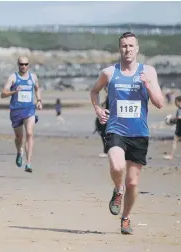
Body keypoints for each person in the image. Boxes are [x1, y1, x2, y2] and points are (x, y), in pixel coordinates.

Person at [90, 32, 164, 235]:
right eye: (124, 46)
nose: (128, 49)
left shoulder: (148, 71)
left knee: (132, 182)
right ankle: (117, 189)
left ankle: (126, 218)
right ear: (119, 49)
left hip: (139, 133)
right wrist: (98, 109)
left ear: (137, 49)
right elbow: (94, 91)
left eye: (131, 46)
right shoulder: (109, 72)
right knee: (116, 164)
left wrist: (147, 84)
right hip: (116, 129)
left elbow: (160, 103)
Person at [0, 56, 42, 173]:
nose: (23, 66)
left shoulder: (33, 77)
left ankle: (28, 163)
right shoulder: (13, 77)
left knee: (29, 133)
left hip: (29, 109)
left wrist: (39, 100)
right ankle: (19, 151)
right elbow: (3, 94)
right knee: (19, 137)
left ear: (28, 65)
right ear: (18, 65)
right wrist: (14, 91)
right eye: (21, 64)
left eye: (26, 64)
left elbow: (37, 89)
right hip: (16, 111)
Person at [164, 95, 181, 160]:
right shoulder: (178, 109)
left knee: (175, 141)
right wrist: (174, 121)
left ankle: (171, 156)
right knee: (175, 141)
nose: (175, 103)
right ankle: (171, 155)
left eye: (176, 102)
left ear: (180, 102)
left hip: (179, 129)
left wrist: (173, 118)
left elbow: (179, 117)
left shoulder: (179, 110)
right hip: (178, 128)